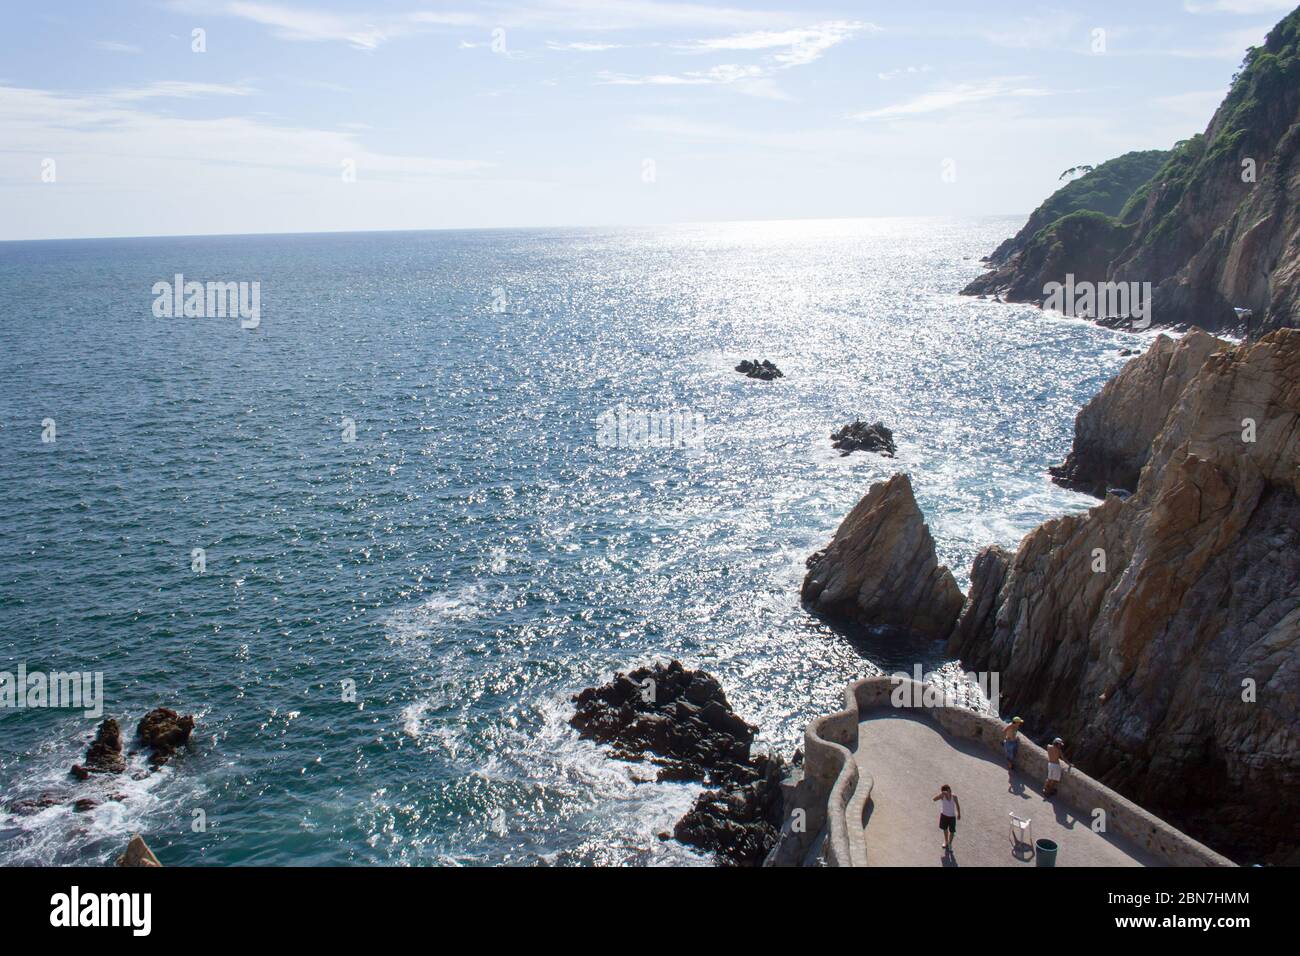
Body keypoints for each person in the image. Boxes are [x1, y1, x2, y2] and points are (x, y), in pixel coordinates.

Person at [933, 785, 961, 850]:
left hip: (952, 817)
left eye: (950, 790)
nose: (950, 791)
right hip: (944, 815)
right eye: (948, 790)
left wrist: (959, 814)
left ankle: (950, 843)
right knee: (945, 829)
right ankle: (946, 841)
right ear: (944, 792)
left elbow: (957, 805)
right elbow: (934, 799)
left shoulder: (954, 797)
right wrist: (940, 795)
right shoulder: (942, 796)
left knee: (952, 831)